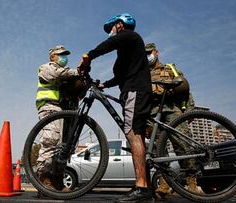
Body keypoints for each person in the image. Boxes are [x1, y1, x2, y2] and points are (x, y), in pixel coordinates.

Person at [79, 13, 153, 203]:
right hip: (131, 90)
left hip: (135, 90)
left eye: (112, 27)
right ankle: (144, 183)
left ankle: (142, 188)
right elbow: (121, 76)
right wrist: (105, 85)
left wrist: (89, 56)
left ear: (120, 25)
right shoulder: (126, 51)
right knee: (135, 133)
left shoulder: (130, 36)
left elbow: (107, 45)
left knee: (132, 133)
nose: (111, 31)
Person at [145, 42, 198, 198]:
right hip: (153, 114)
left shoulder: (170, 69)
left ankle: (191, 182)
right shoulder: (143, 73)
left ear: (156, 52)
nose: (148, 56)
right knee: (157, 150)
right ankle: (164, 183)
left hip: (173, 110)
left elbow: (185, 88)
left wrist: (190, 110)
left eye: (150, 52)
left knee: (183, 145)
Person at [35, 45, 80, 195]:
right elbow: (58, 74)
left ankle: (57, 179)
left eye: (65, 55)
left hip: (65, 110)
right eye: (60, 54)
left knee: (64, 148)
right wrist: (78, 72)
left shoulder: (66, 73)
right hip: (49, 107)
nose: (64, 57)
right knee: (51, 142)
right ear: (52, 57)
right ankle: (44, 179)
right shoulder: (46, 68)